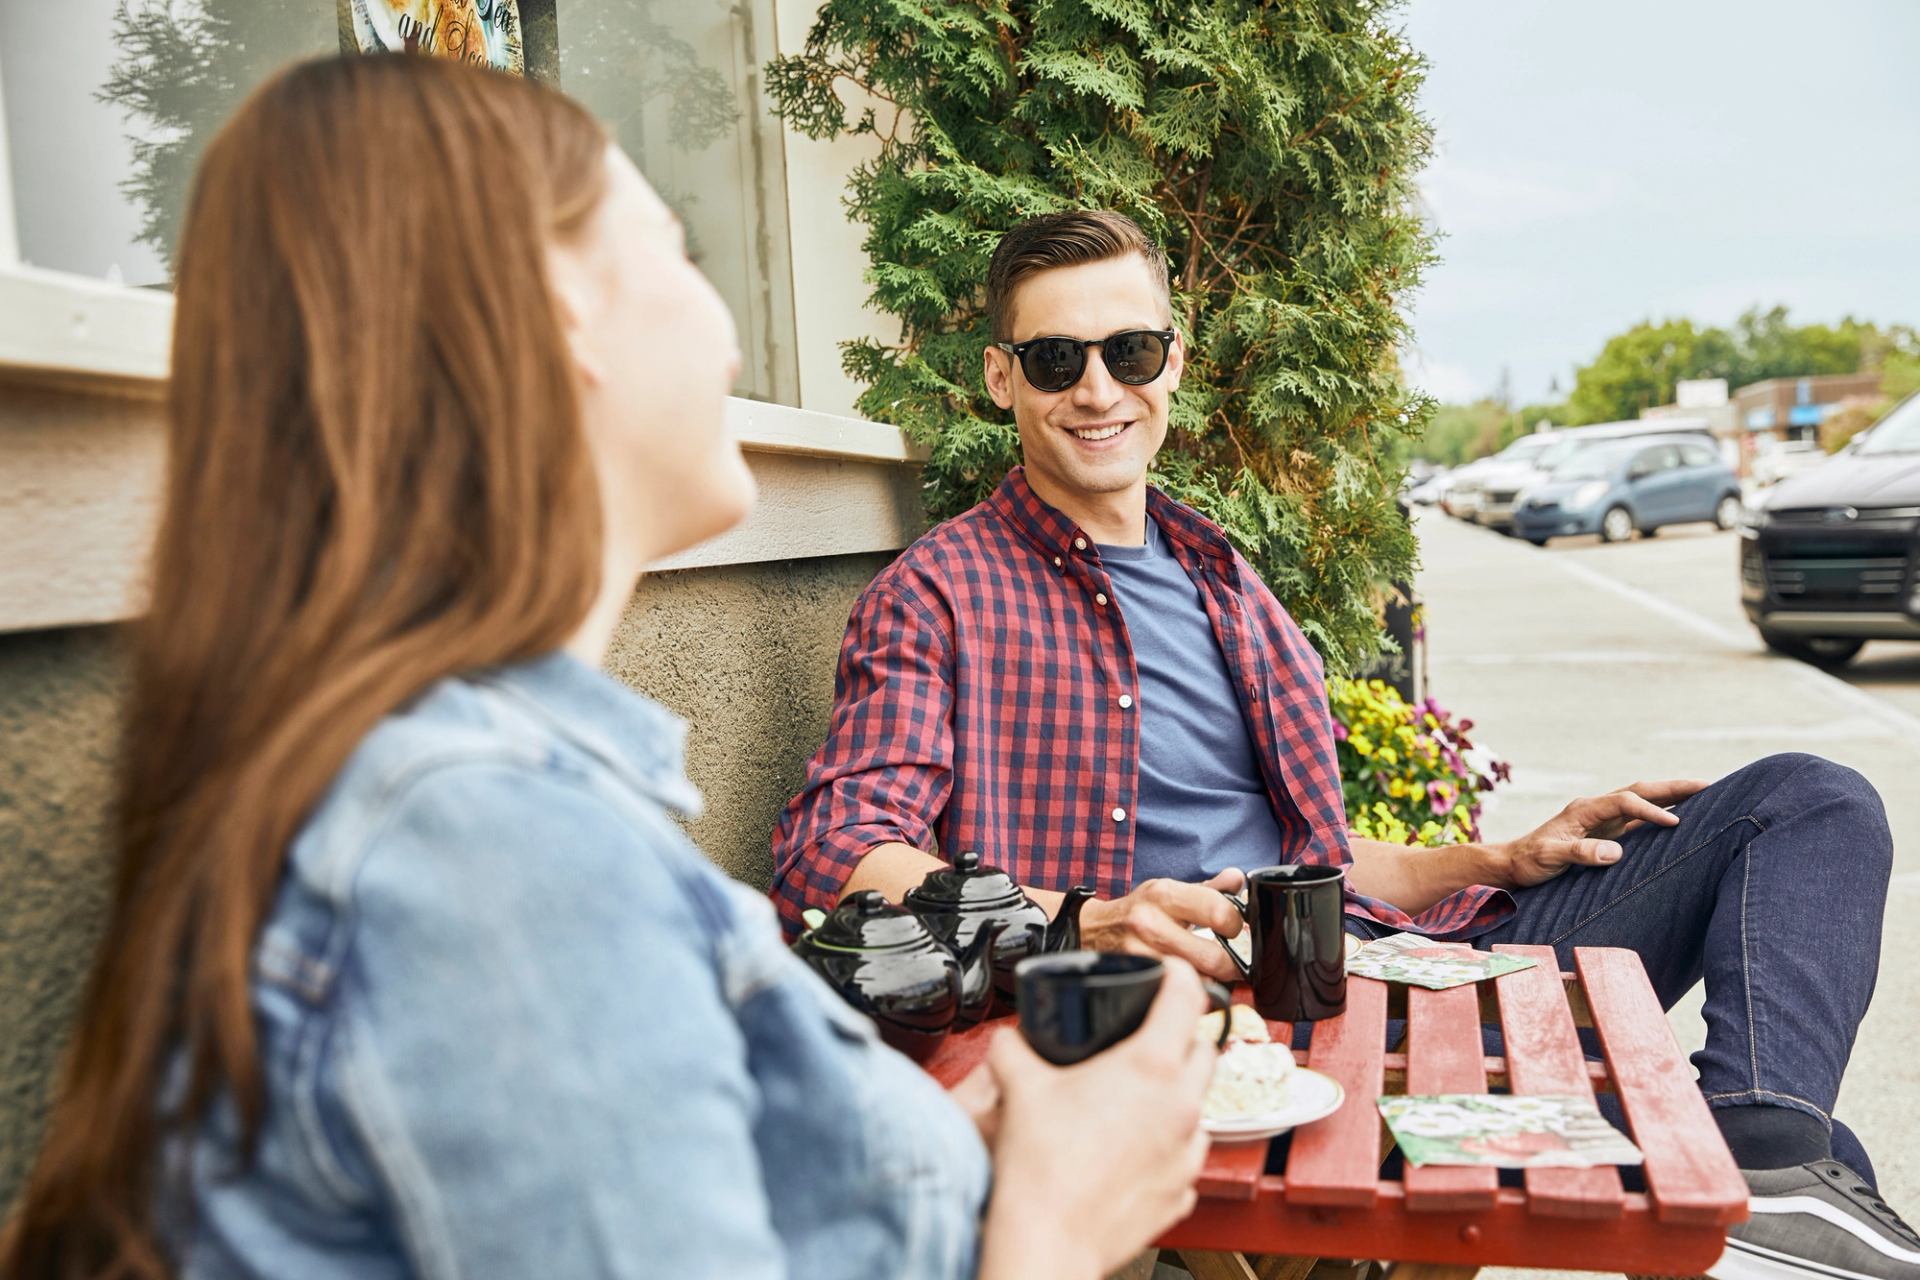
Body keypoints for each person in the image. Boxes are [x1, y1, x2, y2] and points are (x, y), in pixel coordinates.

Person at [0, 58, 1220, 1280]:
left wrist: (965, 1144)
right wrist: (1060, 1225)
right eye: (678, 255)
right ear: (565, 317)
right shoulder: (492, 851)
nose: (725, 322)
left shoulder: (488, 799)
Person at [770, 209, 1919, 1279]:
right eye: (1059, 359)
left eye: (1128, 351)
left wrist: (1496, 861)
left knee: (1806, 804)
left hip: (1379, 964)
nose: (1098, 389)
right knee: (1832, 1158)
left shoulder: (1220, 575)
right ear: (1001, 377)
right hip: (1208, 1024)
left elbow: (1314, 853)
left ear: (1172, 360)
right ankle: (1757, 1177)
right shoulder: (941, 594)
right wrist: (1082, 917)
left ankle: (1757, 1164)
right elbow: (839, 853)